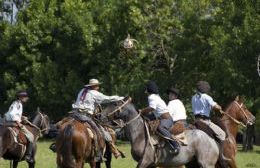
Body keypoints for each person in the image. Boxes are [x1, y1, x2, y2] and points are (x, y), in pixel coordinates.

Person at [72, 78, 124, 161]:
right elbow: (108, 98)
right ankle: (99, 154)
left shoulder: (82, 91)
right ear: (94, 86)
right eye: (97, 86)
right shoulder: (94, 93)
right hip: (85, 116)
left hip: (74, 114)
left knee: (62, 124)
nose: (98, 87)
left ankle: (57, 144)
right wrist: (120, 98)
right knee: (100, 132)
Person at [139, 81, 179, 155]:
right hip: (162, 118)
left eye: (146, 88)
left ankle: (175, 145)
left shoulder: (151, 97)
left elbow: (152, 108)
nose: (145, 90)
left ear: (149, 89)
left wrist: (141, 111)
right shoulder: (156, 96)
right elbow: (155, 113)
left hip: (167, 119)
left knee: (160, 127)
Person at [191, 81, 227, 163]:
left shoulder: (193, 97)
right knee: (222, 134)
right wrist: (220, 108)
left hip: (195, 120)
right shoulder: (207, 97)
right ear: (205, 89)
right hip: (205, 121)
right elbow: (216, 107)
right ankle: (221, 156)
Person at [4, 90, 34, 163]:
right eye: (25, 97)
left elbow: (11, 114)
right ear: (21, 97)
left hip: (7, 122)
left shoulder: (15, 103)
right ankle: (28, 156)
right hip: (14, 123)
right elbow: (12, 114)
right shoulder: (18, 104)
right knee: (31, 136)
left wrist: (22, 117)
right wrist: (18, 122)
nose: (27, 98)